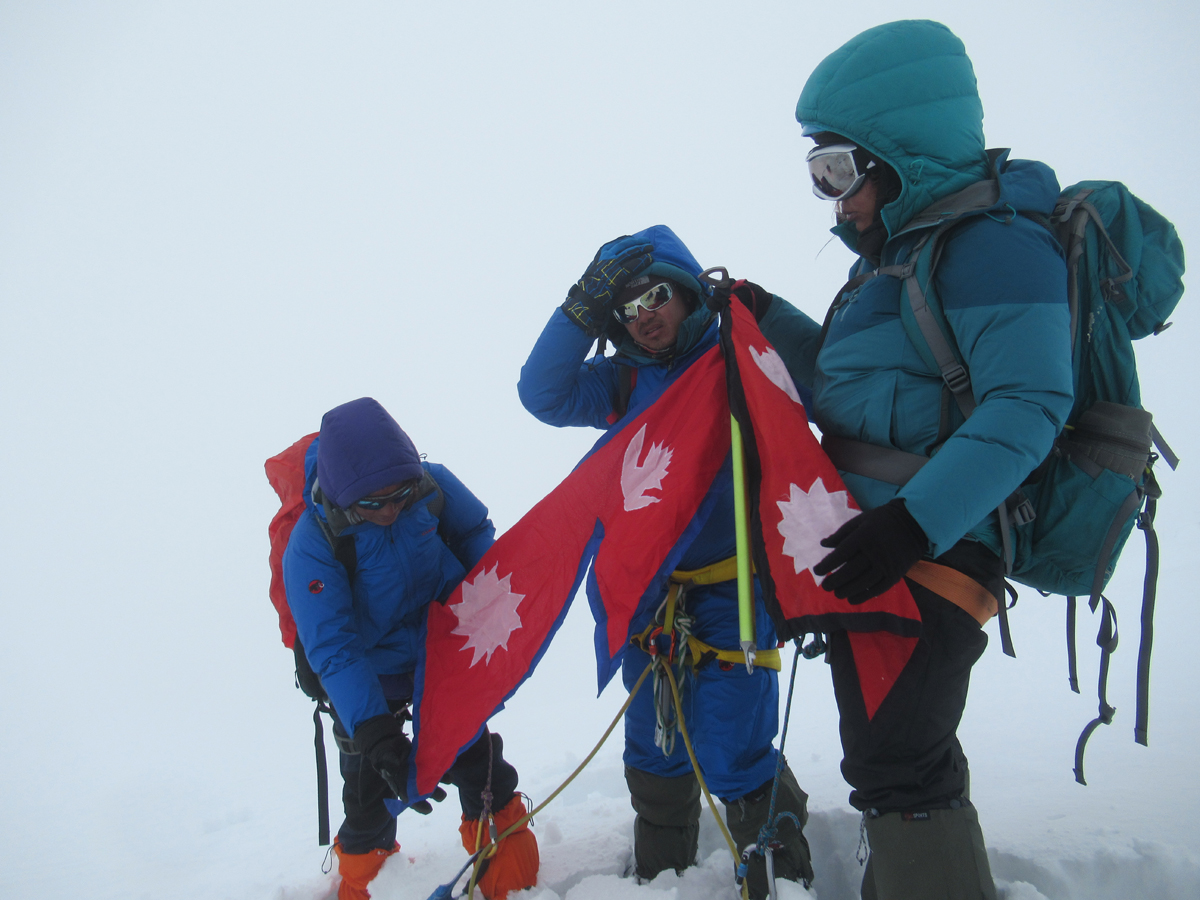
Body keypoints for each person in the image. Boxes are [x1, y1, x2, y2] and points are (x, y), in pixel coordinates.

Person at [722, 19, 1075, 900]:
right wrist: (765, 314)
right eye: (816, 173)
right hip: (878, 549)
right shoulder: (895, 264)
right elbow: (845, 397)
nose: (828, 196)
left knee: (897, 760)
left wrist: (911, 526)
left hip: (932, 550)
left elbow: (1030, 403)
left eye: (837, 169)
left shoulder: (993, 243)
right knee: (891, 754)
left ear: (900, 156)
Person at [517, 225, 814, 898]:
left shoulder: (739, 352)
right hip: (649, 595)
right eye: (623, 308)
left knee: (735, 738)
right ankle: (660, 877)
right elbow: (543, 395)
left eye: (654, 296)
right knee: (656, 739)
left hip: (734, 586)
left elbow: (820, 392)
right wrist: (576, 313)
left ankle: (782, 875)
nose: (642, 316)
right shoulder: (625, 379)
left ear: (685, 292)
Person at [282, 397, 539, 900]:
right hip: (367, 679)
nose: (391, 509)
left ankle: (512, 879)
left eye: (400, 494)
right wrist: (376, 734)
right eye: (371, 504)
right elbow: (334, 648)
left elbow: (473, 531)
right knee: (369, 792)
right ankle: (365, 882)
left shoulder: (430, 484)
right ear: (340, 498)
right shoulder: (312, 545)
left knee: (478, 763)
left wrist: (485, 601)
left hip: (440, 658)